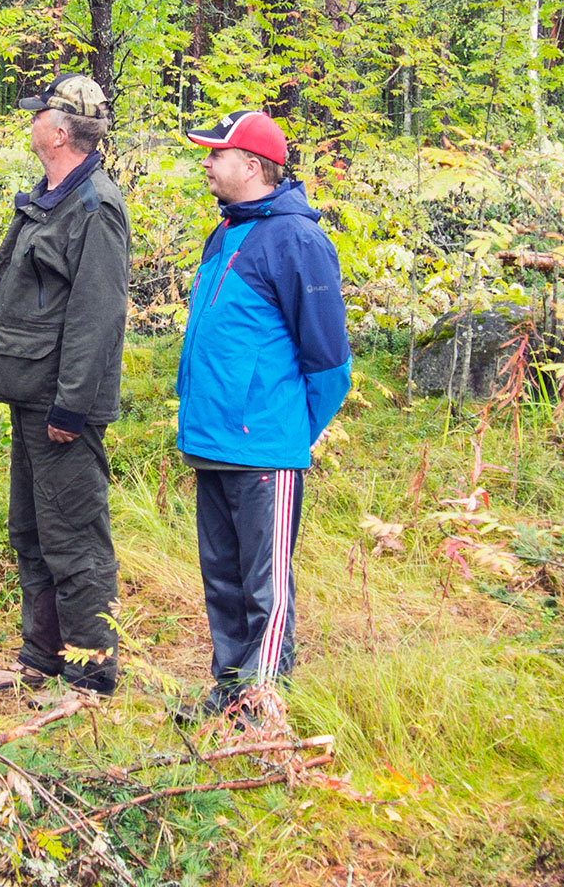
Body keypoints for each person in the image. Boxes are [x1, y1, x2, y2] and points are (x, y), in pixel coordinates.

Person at [172, 109, 351, 721]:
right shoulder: (224, 233)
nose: (206, 162)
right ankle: (228, 691)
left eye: (216, 154)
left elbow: (330, 367)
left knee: (265, 588)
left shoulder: (299, 241)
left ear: (252, 166)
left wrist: (284, 432)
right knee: (222, 581)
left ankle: (259, 701)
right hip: (213, 441)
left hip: (263, 448)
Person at [0, 73, 132, 696]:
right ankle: (41, 660)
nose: (31, 121)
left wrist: (73, 405)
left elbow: (97, 316)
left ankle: (89, 678)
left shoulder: (96, 207)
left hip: (62, 407)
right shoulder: (51, 196)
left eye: (40, 115)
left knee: (75, 539)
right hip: (31, 394)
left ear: (61, 132)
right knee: (32, 531)